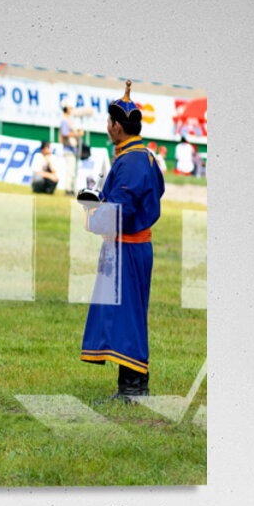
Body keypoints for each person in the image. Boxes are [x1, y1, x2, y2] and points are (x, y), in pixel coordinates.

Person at [80, 81, 165, 402]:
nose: (107, 128)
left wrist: (92, 212)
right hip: (134, 245)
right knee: (129, 313)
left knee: (127, 313)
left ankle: (131, 389)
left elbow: (122, 210)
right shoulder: (144, 155)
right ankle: (134, 384)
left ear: (117, 126)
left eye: (108, 123)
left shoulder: (130, 161)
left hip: (127, 245)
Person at [59, 101, 85, 194]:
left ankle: (71, 189)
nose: (71, 110)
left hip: (72, 149)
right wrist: (77, 134)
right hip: (68, 149)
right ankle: (68, 190)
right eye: (70, 108)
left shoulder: (68, 119)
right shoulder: (64, 120)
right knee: (70, 171)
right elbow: (65, 133)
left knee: (73, 171)